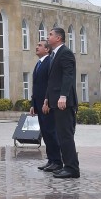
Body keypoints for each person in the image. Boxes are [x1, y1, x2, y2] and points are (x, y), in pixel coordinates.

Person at [43, 27, 79, 179]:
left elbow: (68, 76)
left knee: (65, 136)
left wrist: (63, 96)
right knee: (61, 135)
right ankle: (67, 165)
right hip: (56, 102)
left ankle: (72, 169)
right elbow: (52, 81)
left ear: (58, 38)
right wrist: (47, 98)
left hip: (64, 102)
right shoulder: (54, 55)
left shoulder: (65, 53)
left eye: (50, 34)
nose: (48, 37)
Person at [30, 40, 62, 171]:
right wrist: (33, 104)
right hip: (39, 104)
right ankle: (51, 160)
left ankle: (57, 161)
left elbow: (50, 84)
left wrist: (47, 101)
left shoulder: (49, 62)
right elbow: (36, 86)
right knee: (45, 133)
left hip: (47, 104)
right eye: (37, 45)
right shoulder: (39, 63)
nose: (36, 47)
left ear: (47, 49)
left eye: (40, 45)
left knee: (51, 132)